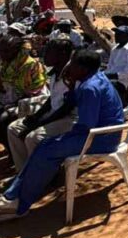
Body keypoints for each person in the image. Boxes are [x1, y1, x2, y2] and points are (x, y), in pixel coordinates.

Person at [0, 50, 125, 222]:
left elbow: (86, 124)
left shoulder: (89, 88)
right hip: (99, 133)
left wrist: (63, 138)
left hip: (101, 139)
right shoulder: (93, 78)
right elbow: (75, 101)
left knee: (45, 149)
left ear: (82, 68)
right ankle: (13, 197)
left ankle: (18, 204)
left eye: (73, 63)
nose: (69, 66)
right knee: (44, 146)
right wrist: (70, 85)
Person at [5, 39, 76, 172]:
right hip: (55, 115)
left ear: (62, 54)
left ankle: (43, 175)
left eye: (49, 52)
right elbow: (51, 99)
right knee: (13, 129)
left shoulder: (72, 73)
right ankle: (24, 171)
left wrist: (39, 123)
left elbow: (66, 108)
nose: (45, 55)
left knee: (33, 137)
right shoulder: (56, 72)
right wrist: (36, 117)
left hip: (69, 118)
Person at [0, 36, 48, 148]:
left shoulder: (30, 64)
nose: (2, 54)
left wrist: (13, 102)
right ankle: (9, 146)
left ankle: (15, 149)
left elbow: (35, 88)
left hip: (30, 99)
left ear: (16, 50)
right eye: (0, 50)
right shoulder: (3, 63)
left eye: (6, 51)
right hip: (8, 97)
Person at [105, 26, 128, 90]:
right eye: (116, 33)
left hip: (122, 82)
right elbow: (110, 65)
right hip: (110, 77)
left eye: (119, 34)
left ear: (127, 36)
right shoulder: (114, 48)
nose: (116, 36)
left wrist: (112, 75)